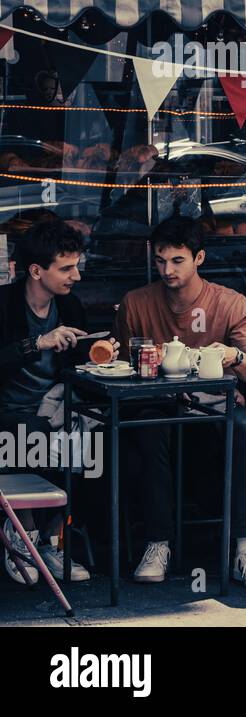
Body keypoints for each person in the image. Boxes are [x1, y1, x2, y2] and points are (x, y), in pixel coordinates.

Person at [114, 215, 246, 588]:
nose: (167, 270)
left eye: (177, 260)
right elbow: (120, 368)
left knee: (243, 426)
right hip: (159, 407)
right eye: (160, 260)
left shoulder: (229, 303)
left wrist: (231, 356)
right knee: (150, 425)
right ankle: (158, 543)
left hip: (215, 411)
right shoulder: (136, 303)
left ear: (199, 257)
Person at [0, 219, 100, 584]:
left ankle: (53, 543)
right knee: (36, 435)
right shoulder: (5, 305)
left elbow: (76, 367)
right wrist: (36, 343)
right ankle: (22, 534)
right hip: (7, 415)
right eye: (66, 268)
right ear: (36, 271)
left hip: (52, 408)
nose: (75, 275)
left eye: (77, 265)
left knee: (90, 443)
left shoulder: (70, 307)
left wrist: (100, 358)